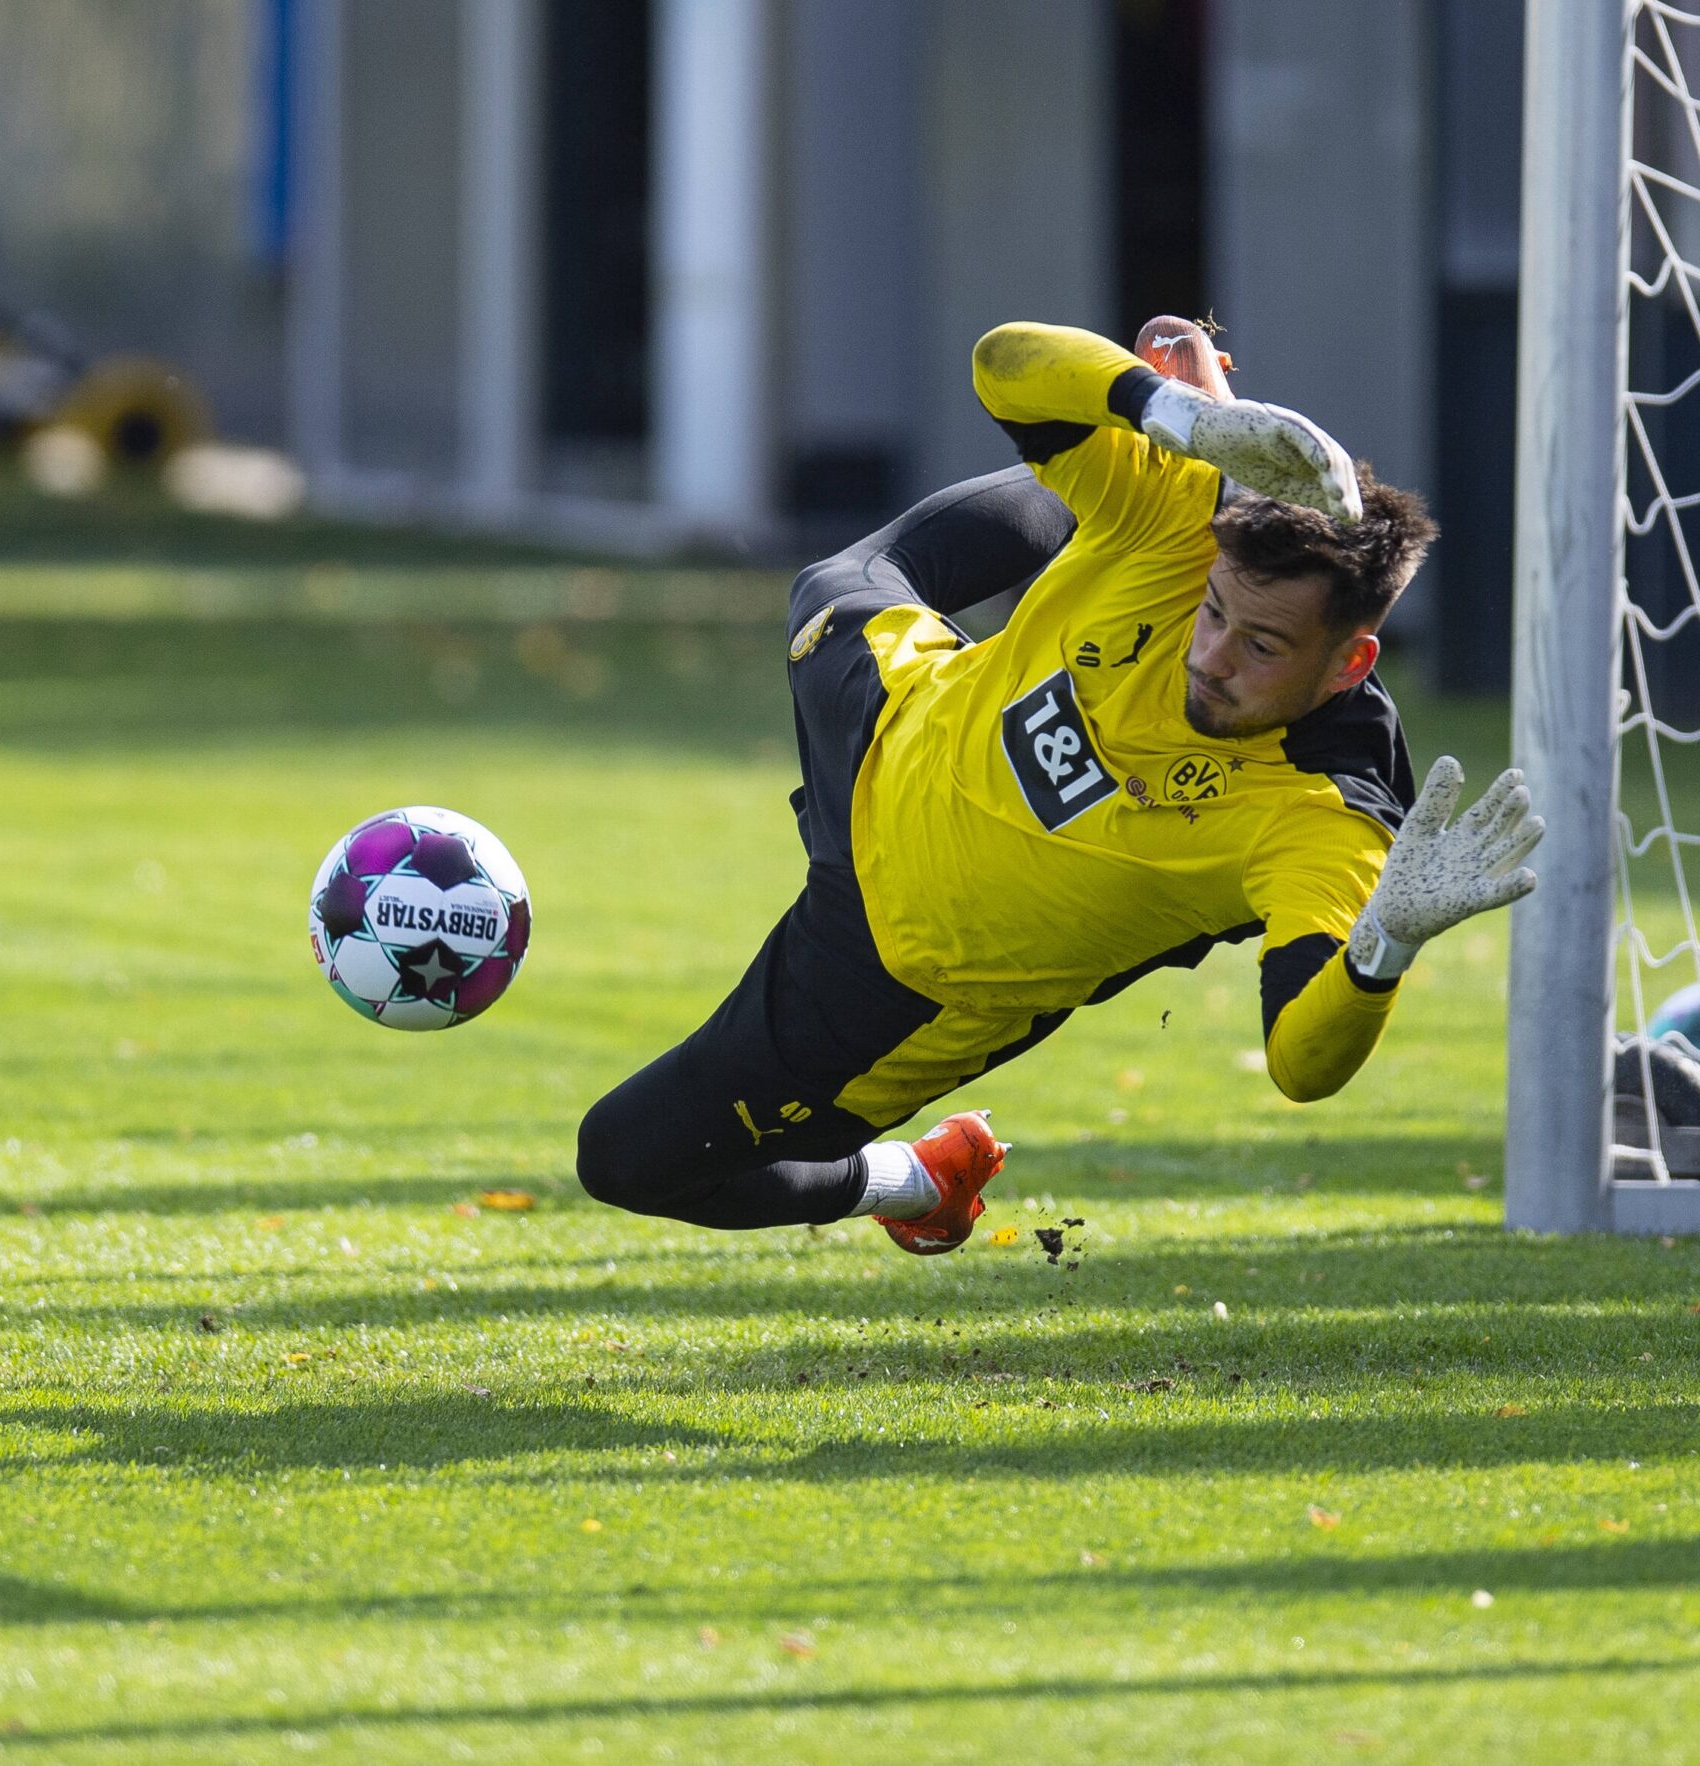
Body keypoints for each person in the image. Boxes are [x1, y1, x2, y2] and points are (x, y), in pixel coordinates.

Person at [577, 316, 1544, 1254]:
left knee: (623, 1157)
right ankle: (1157, 432)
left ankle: (917, 1180)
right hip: (893, 719)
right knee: (846, 577)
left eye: (1262, 647)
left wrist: (1384, 945)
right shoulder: (1195, 528)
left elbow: (1301, 1063)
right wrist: (1176, 415)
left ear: (1348, 663)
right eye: (1214, 614)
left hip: (891, 967)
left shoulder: (1323, 811)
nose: (1211, 657)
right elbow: (1004, 362)